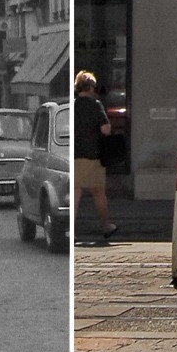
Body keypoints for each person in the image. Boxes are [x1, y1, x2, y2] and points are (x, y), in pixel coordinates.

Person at [73, 69, 116, 240]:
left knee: (76, 193)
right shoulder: (95, 105)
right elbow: (105, 129)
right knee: (98, 191)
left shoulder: (74, 105)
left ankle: (73, 232)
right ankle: (106, 225)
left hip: (76, 154)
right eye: (94, 86)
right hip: (93, 154)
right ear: (90, 87)